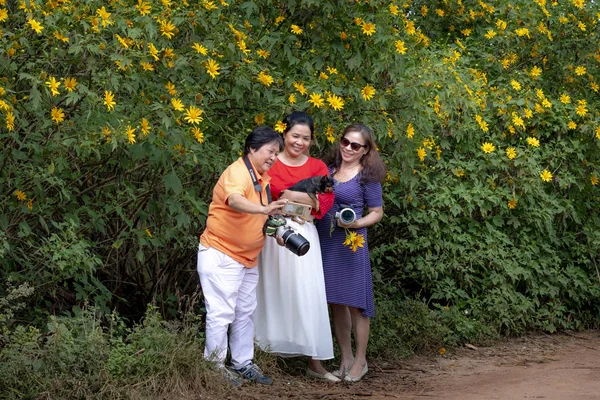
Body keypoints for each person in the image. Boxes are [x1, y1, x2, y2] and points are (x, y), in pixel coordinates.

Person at [197, 126, 288, 386]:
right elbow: (235, 200)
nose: (273, 157)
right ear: (252, 148)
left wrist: (277, 233)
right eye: (270, 151)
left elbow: (263, 217)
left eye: (276, 153)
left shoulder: (262, 179)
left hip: (247, 258)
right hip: (222, 253)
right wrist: (264, 208)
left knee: (244, 313)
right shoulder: (237, 172)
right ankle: (214, 367)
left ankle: (242, 363)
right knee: (221, 313)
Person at [254, 111, 340, 382]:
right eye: (295, 136)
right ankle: (262, 355)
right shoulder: (268, 160)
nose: (299, 142)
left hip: (303, 231)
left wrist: (288, 194)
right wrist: (304, 196)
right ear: (284, 134)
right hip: (273, 233)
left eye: (306, 138)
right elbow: (258, 194)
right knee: (270, 290)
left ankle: (315, 362)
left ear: (312, 141)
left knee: (307, 293)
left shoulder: (317, 167)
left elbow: (325, 204)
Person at [315, 123, 386, 382]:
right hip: (327, 240)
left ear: (366, 150)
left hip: (351, 242)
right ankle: (345, 357)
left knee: (356, 303)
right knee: (336, 301)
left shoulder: (367, 175)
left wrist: (355, 223)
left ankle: (360, 360)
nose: (348, 148)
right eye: (345, 141)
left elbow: (377, 213)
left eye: (355, 145)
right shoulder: (329, 169)